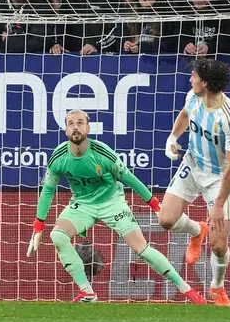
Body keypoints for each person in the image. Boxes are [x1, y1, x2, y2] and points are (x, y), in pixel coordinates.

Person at [26, 109, 205, 304]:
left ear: (88, 127)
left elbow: (131, 179)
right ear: (66, 130)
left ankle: (187, 291)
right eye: (71, 123)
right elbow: (47, 191)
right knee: (58, 235)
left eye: (80, 122)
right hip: (83, 203)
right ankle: (87, 292)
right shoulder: (59, 157)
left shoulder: (102, 153)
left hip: (112, 202)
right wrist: (38, 227)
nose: (75, 127)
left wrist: (155, 205)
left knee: (141, 249)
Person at [156, 58, 230, 306]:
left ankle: (217, 287)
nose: (190, 79)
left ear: (205, 83)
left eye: (193, 75)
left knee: (218, 246)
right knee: (165, 220)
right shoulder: (193, 97)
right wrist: (172, 137)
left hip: (219, 178)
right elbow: (185, 114)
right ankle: (197, 231)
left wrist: (218, 204)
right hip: (192, 164)